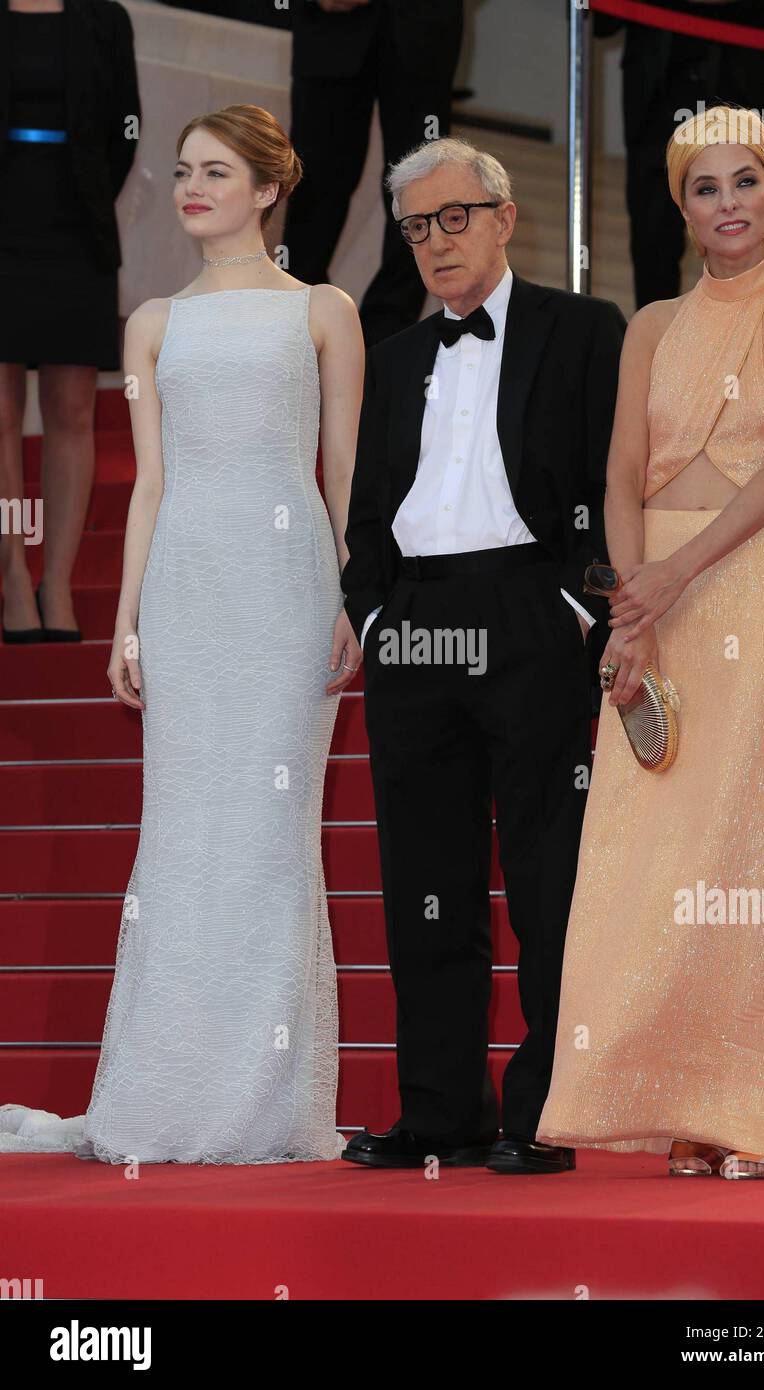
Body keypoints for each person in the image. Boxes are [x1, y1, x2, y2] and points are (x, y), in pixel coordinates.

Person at [0, 104, 364, 1162]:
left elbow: (344, 473)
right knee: (184, 839)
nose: (192, 187)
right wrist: (124, 623)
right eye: (183, 170)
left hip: (288, 589)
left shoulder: (324, 311)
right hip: (189, 595)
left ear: (266, 189)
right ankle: (169, 1093)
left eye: (216, 171)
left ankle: (270, 1097)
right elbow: (152, 485)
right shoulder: (152, 321)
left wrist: (350, 591)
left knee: (269, 839)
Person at [537, 105, 764, 1179]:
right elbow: (618, 474)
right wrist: (631, 598)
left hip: (753, 587)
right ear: (680, 206)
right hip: (651, 599)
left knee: (747, 847)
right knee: (653, 848)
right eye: (704, 187)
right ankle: (676, 1096)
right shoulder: (652, 327)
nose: (728, 204)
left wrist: (669, 578)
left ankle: (749, 1109)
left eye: (744, 182)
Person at [338, 137, 626, 1174]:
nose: (434, 241)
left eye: (453, 217)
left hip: (528, 612)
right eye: (416, 226)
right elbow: (369, 510)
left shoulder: (586, 330)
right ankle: (439, 1111)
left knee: (543, 872)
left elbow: (611, 478)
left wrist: (570, 606)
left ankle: (538, 1112)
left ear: (505, 217)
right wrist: (371, 616)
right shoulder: (396, 356)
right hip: (414, 622)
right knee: (425, 876)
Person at [0, 0, 140, 643]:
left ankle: (55, 580)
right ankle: (11, 576)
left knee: (72, 413)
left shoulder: (105, 18)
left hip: (76, 230)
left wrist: (82, 194)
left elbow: (123, 131)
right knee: (0, 417)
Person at [593, 0, 764, 308]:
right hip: (660, 87)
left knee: (749, 225)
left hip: (747, 76)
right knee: (653, 237)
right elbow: (601, 20)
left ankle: (757, 339)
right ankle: (658, 345)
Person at [284, 0, 463, 346]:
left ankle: (385, 339)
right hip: (328, 22)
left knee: (420, 187)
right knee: (312, 180)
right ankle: (296, 321)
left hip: (421, 24)